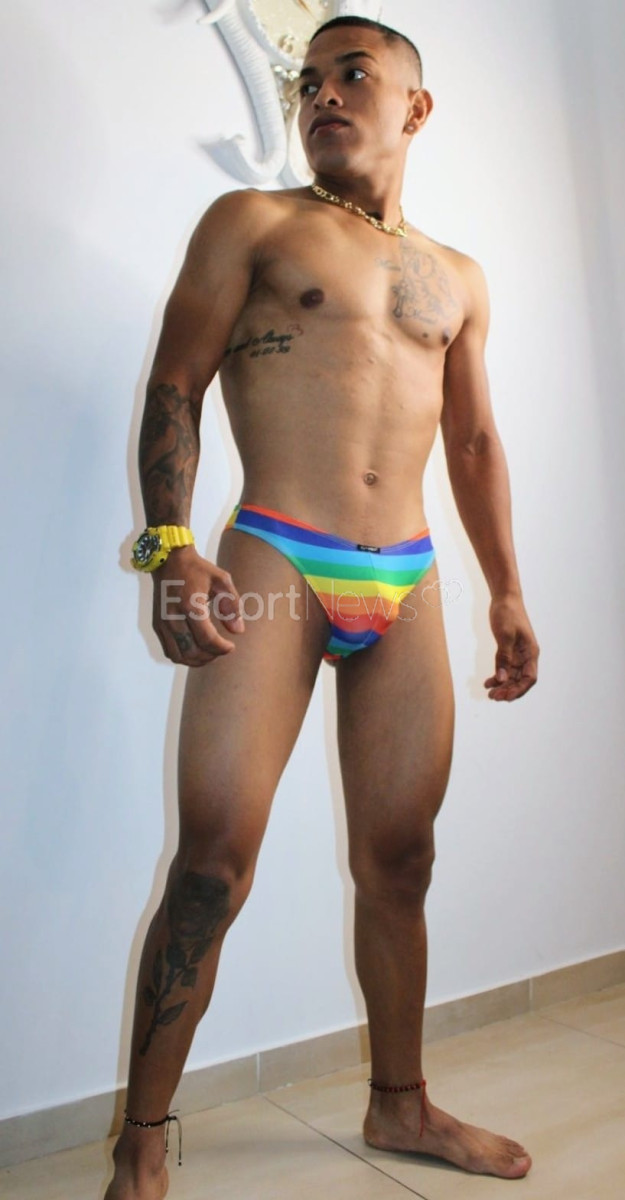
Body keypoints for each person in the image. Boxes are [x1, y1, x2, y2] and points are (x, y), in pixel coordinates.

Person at [105, 15, 539, 1199]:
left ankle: (400, 1105)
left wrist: (506, 589)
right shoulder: (253, 222)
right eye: (311, 80)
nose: (324, 95)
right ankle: (140, 1141)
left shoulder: (458, 277)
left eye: (356, 74)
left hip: (409, 573)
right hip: (276, 560)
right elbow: (175, 382)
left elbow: (474, 439)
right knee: (212, 867)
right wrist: (168, 546)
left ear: (415, 107)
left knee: (401, 860)